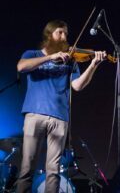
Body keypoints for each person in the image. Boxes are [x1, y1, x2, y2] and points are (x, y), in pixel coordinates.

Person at [16, 20, 107, 193]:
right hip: (35, 115)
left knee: (54, 171)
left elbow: (78, 86)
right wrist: (50, 57)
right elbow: (21, 67)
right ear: (49, 35)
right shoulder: (32, 54)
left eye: (66, 33)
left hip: (60, 118)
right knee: (27, 167)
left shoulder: (70, 60)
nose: (64, 37)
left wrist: (93, 65)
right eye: (60, 32)